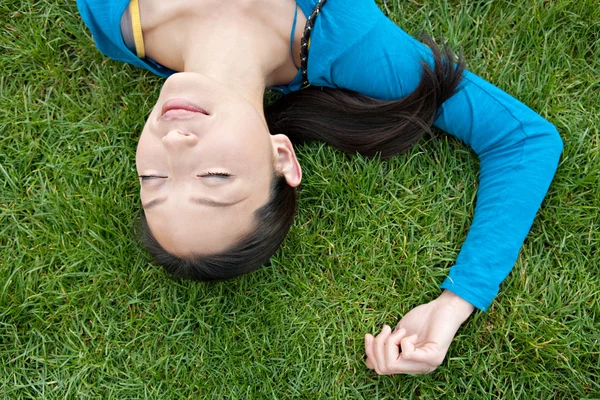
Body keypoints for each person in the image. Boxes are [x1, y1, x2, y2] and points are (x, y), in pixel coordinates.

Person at [76, 0, 563, 375]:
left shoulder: (108, 16)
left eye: (154, 178)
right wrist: (455, 303)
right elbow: (523, 141)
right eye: (212, 177)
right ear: (281, 155)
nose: (176, 143)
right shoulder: (350, 42)